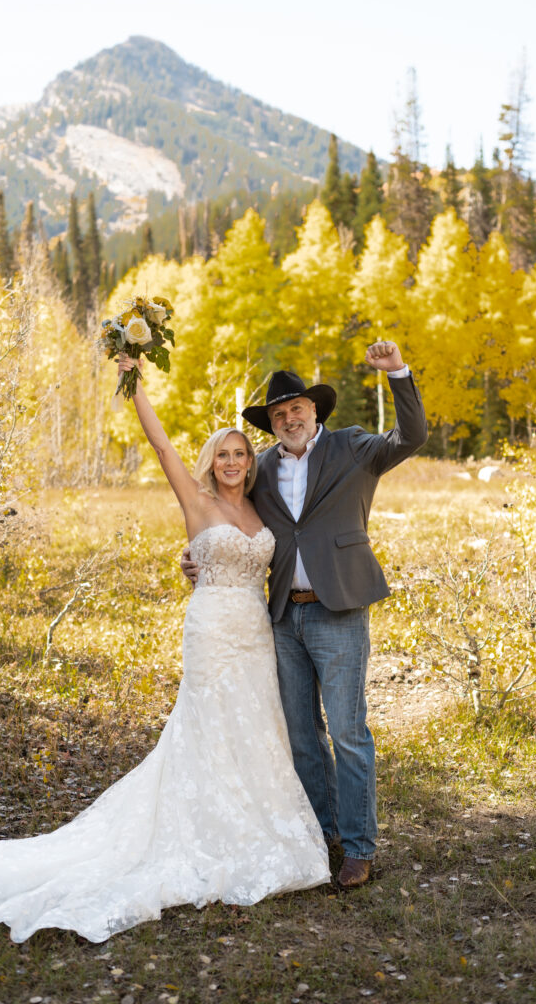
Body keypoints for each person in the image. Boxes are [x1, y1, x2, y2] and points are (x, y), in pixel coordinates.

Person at [0, 355, 329, 945]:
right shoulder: (197, 500)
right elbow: (161, 445)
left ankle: (258, 822)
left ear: (251, 460)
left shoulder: (258, 504)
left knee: (257, 726)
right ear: (211, 461)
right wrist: (133, 380)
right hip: (213, 629)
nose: (233, 462)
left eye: (241, 454)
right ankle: (207, 831)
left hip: (256, 630)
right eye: (223, 454)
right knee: (210, 725)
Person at [182, 339, 428, 889]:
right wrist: (197, 554)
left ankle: (359, 848)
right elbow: (231, 518)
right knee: (301, 735)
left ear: (314, 409)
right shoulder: (262, 467)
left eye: (296, 408)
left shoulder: (352, 447)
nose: (288, 419)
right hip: (281, 620)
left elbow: (411, 437)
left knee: (347, 732)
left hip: (338, 610)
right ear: (270, 424)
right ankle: (323, 833)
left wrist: (397, 373)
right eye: (278, 415)